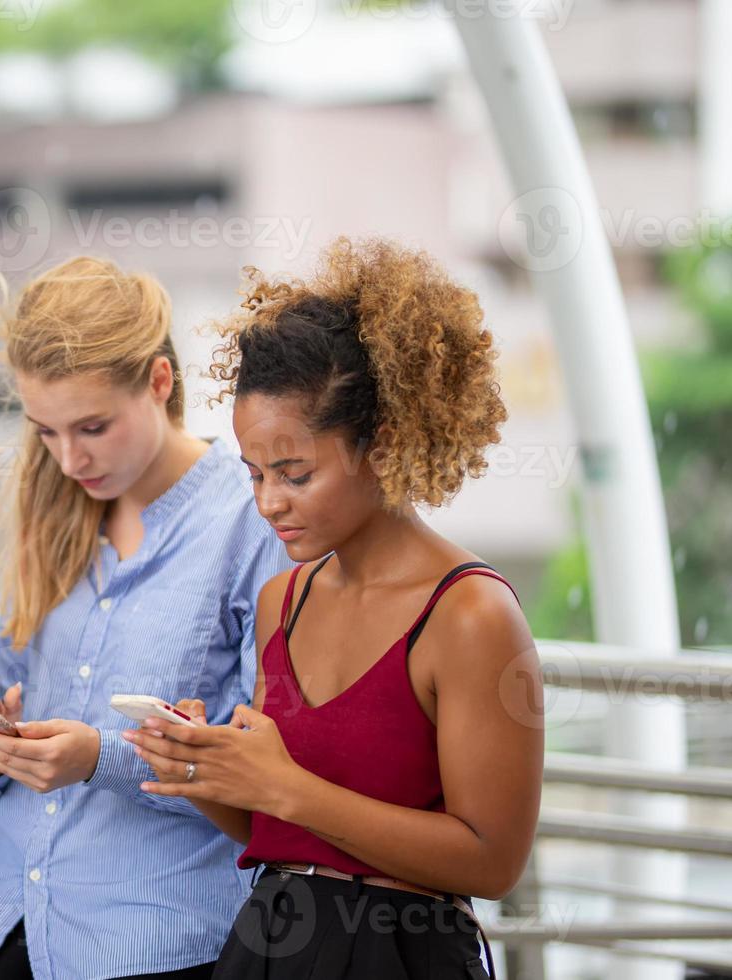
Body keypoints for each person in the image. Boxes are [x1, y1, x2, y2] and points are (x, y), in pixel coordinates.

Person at [0, 252, 289, 978]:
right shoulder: (49, 518)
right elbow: (19, 700)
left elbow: (264, 776)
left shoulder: (253, 526)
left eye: (91, 427)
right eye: (45, 432)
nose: (68, 458)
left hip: (152, 941)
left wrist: (100, 757)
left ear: (158, 381)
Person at [130, 238, 544, 979]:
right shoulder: (278, 603)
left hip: (400, 955)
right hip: (267, 942)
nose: (267, 503)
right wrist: (204, 772)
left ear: (381, 446)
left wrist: (287, 786)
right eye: (254, 474)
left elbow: (493, 860)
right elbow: (275, 826)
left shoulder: (471, 615)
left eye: (295, 474)